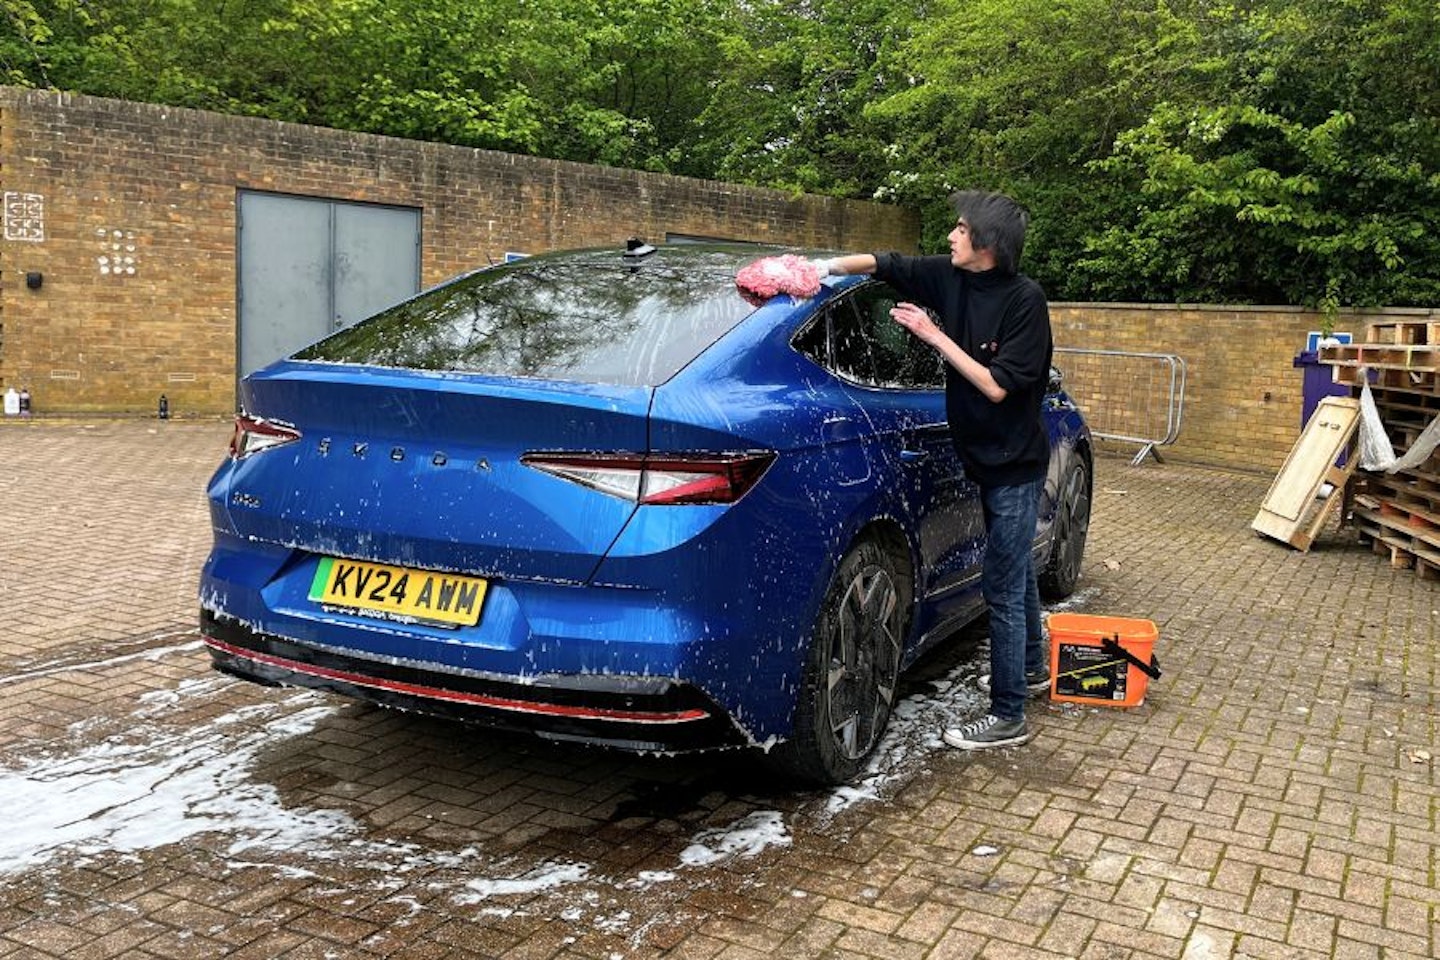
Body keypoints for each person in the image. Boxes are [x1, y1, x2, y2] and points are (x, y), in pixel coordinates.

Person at [813, 189, 1053, 750]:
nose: (951, 235)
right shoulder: (949, 275)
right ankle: (1034, 668)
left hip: (1015, 464)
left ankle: (1009, 714)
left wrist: (932, 334)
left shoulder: (1025, 302)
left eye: (962, 229)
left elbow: (997, 385)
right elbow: (885, 263)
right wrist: (813, 269)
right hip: (981, 458)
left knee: (1001, 582)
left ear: (987, 245)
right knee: (1014, 571)